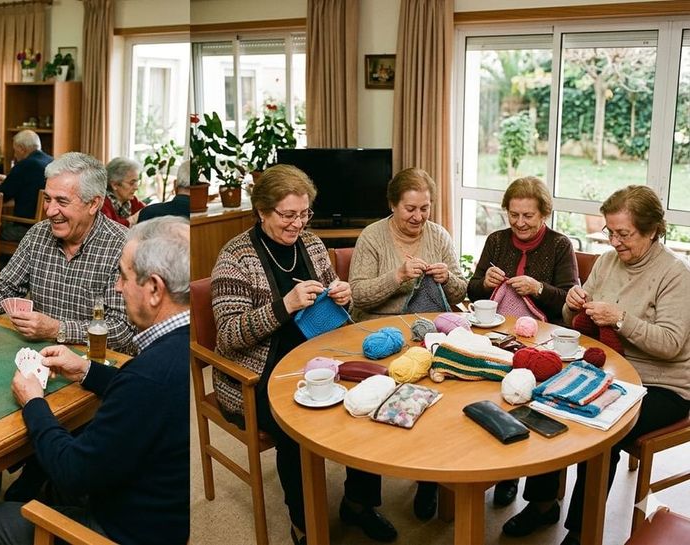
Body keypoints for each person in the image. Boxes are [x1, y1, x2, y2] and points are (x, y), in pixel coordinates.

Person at [0, 216, 190, 545]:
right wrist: (84, 369)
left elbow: (73, 471)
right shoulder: (182, 345)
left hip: (125, 530)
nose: (117, 287)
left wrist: (33, 402)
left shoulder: (148, 377)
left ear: (154, 289)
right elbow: (139, 385)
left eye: (124, 276)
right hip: (165, 513)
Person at [212, 165, 397, 544]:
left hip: (320, 353)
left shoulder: (312, 245)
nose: (298, 224)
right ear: (262, 211)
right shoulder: (235, 258)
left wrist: (342, 293)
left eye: (304, 213)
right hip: (258, 371)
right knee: (294, 429)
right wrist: (285, 306)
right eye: (288, 215)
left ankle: (359, 504)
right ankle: (303, 524)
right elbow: (229, 336)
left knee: (371, 394)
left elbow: (328, 301)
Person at [502, 185, 690, 545]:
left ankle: (579, 531)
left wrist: (621, 319)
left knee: (599, 432)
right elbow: (578, 320)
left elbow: (669, 344)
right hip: (610, 370)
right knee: (545, 402)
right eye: (610, 231)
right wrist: (573, 303)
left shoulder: (676, 275)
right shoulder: (607, 261)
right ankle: (543, 504)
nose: (615, 241)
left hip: (662, 384)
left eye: (624, 234)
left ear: (652, 230)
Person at [348, 167, 467, 520]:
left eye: (425, 208)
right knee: (367, 408)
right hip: (378, 333)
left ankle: (429, 479)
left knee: (441, 403)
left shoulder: (439, 236)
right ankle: (360, 501)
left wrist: (448, 279)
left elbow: (460, 292)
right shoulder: (372, 237)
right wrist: (396, 276)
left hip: (427, 332)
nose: (418, 217)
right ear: (392, 205)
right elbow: (357, 293)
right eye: (410, 209)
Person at [467, 176, 580, 506]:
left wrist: (539, 288)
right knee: (477, 387)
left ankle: (528, 489)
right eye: (513, 215)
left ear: (544, 213)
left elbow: (569, 303)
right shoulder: (496, 240)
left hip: (543, 343)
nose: (519, 223)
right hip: (495, 335)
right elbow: (472, 290)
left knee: (535, 402)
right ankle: (492, 467)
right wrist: (484, 283)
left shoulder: (560, 246)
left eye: (528, 216)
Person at [0, 152, 136, 353]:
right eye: (47, 198)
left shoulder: (122, 246)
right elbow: (5, 285)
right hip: (41, 357)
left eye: (62, 201)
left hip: (95, 363)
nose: (49, 211)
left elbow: (122, 330)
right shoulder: (38, 234)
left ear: (93, 204)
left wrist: (58, 330)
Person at [0, 129, 53, 241]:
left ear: (22, 149)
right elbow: (29, 184)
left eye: (15, 150)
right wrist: (8, 179)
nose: (14, 155)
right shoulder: (51, 161)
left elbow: (0, 195)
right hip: (48, 228)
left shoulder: (25, 165)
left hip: (26, 228)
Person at [100, 157, 145, 227]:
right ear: (114, 184)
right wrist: (132, 219)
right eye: (131, 183)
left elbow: (149, 212)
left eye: (137, 182)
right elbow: (111, 230)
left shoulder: (132, 201)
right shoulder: (102, 204)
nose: (136, 188)